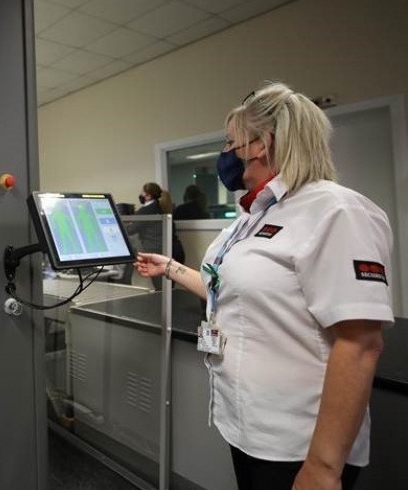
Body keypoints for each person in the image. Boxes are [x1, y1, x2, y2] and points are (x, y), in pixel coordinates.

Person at [134, 82, 393, 490]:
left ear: (260, 144)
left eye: (230, 142)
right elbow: (225, 288)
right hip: (247, 427)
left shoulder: (336, 211)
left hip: (299, 443)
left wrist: (323, 469)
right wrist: (169, 267)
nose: (226, 153)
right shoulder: (252, 215)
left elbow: (360, 343)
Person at [127, 182, 185, 290]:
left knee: (162, 291)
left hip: (159, 252)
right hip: (175, 249)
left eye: (142, 193)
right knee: (168, 291)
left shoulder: (146, 210)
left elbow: (131, 229)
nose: (141, 195)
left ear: (148, 196)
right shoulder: (162, 207)